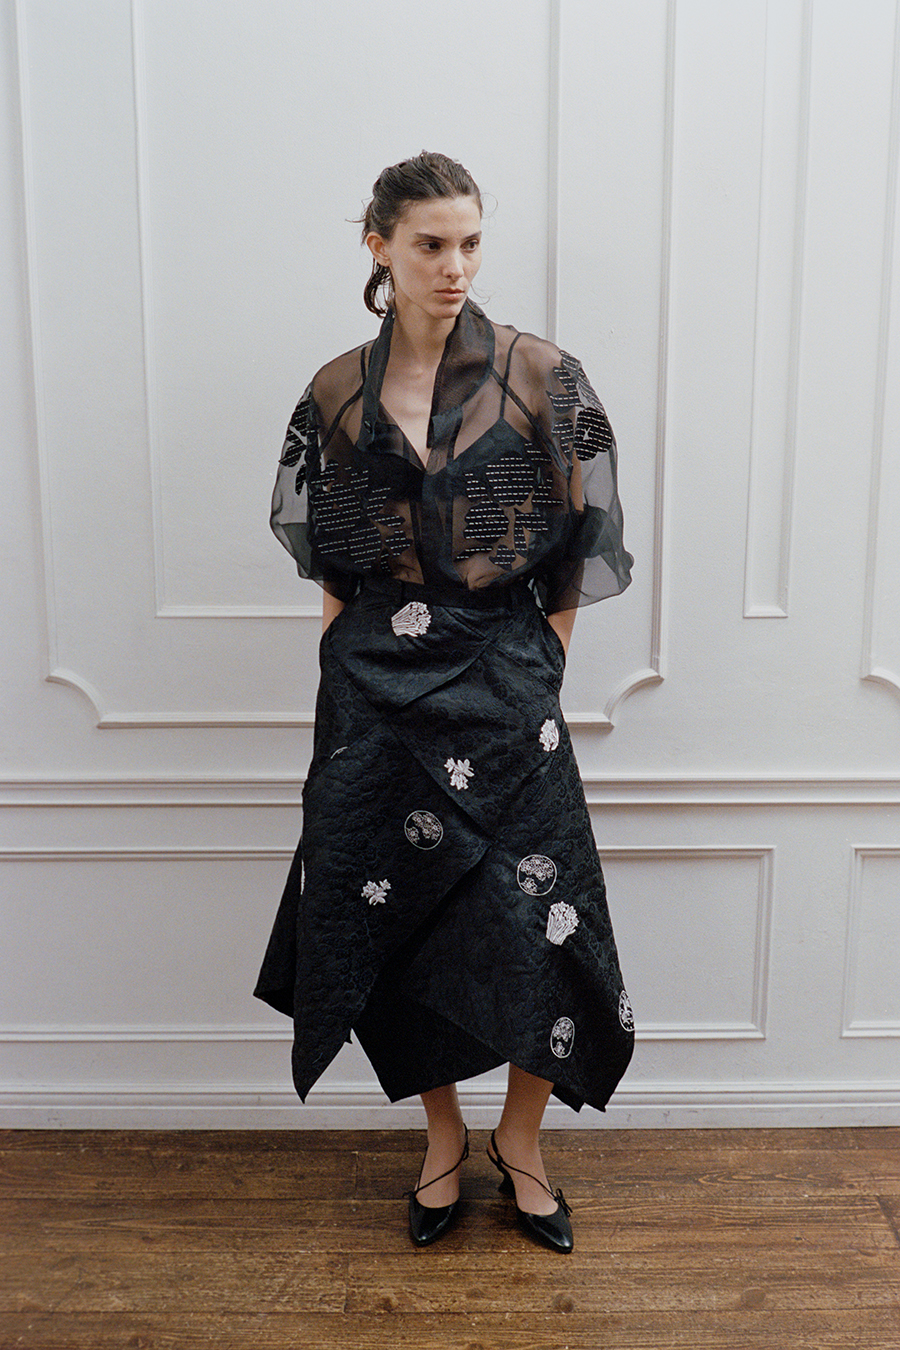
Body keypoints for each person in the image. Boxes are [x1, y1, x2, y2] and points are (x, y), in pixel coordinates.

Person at [255, 151, 635, 1254]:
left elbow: (582, 543)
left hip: (507, 684)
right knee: (399, 916)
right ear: (379, 247)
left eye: (470, 242)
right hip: (375, 691)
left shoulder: (542, 375)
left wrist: (543, 670)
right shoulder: (336, 390)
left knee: (542, 923)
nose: (454, 265)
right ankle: (440, 1139)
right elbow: (333, 564)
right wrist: (344, 693)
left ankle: (522, 1143)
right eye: (430, 244)